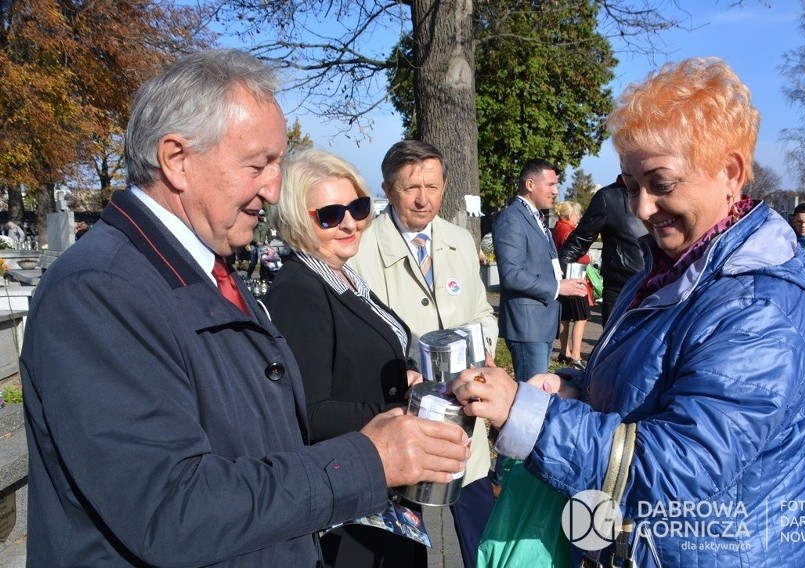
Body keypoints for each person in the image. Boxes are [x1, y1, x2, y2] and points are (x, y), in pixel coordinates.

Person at [19, 49, 469, 567]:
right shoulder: (99, 291)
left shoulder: (204, 268)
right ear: (176, 160)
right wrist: (369, 459)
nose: (274, 190)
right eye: (258, 165)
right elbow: (172, 509)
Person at [452, 57, 805, 566]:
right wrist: (577, 388)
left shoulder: (759, 309)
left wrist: (527, 416)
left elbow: (683, 469)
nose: (640, 208)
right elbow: (656, 383)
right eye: (632, 186)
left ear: (730, 173)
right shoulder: (671, 270)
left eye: (661, 183)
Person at [263, 148, 426, 567]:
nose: (351, 222)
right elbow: (309, 412)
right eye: (331, 214)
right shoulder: (299, 289)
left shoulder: (342, 274)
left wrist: (404, 375)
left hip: (382, 486)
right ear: (300, 219)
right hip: (350, 502)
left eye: (357, 207)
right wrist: (396, 411)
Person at [350, 139, 498, 568]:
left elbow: (483, 312)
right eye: (411, 187)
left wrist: (481, 348)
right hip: (404, 422)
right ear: (388, 189)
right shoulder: (360, 250)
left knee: (480, 536)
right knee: (403, 550)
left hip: (465, 418)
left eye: (433, 187)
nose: (423, 199)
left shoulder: (460, 241)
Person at [492, 158, 586, 383]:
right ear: (530, 184)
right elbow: (512, 274)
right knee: (531, 397)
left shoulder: (535, 217)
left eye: (557, 185)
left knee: (536, 394)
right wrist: (557, 286)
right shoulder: (512, 218)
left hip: (540, 323)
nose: (556, 191)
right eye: (551, 184)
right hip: (528, 326)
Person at [558, 174, 646, 327]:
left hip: (659, 290)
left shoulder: (662, 193)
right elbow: (577, 243)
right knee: (616, 348)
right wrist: (560, 278)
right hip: (621, 291)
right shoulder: (608, 198)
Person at [551, 200, 591, 370]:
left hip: (562, 276)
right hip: (573, 277)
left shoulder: (557, 227)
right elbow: (576, 254)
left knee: (565, 318)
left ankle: (564, 351)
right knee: (581, 317)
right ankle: (575, 355)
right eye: (577, 214)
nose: (579, 217)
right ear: (570, 214)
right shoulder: (567, 229)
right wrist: (587, 257)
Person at [246, 208, 271, 278]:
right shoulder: (254, 224)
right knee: (254, 262)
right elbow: (249, 233)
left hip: (263, 246)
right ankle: (249, 275)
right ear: (258, 215)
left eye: (263, 215)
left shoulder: (266, 225)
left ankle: (262, 277)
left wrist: (269, 241)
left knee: (263, 262)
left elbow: (269, 234)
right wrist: (255, 241)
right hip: (254, 245)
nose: (262, 216)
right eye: (261, 215)